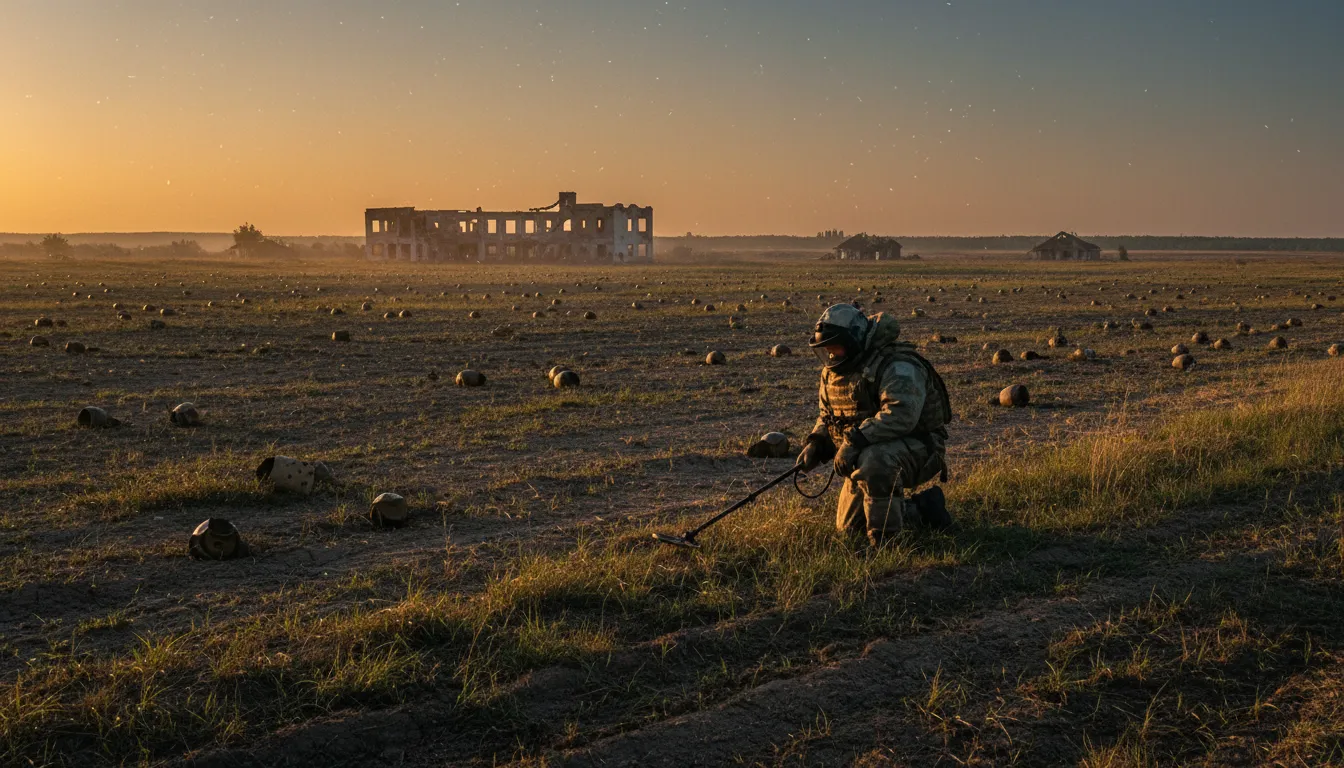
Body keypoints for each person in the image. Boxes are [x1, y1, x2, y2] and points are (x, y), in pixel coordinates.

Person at [795, 304, 952, 545]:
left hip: (920, 448)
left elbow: (901, 415)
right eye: (826, 350)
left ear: (853, 341)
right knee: (849, 530)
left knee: (875, 459)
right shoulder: (832, 373)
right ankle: (922, 509)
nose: (831, 355)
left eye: (835, 348)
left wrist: (854, 440)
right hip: (867, 450)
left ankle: (886, 545)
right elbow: (828, 417)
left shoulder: (897, 364)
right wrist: (816, 443)